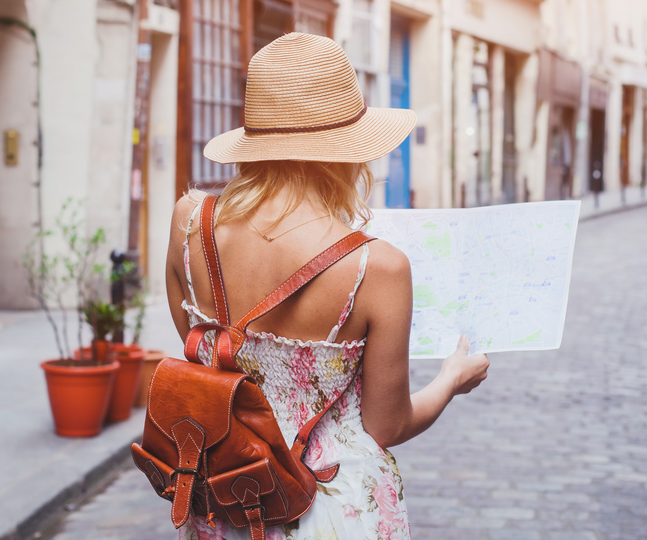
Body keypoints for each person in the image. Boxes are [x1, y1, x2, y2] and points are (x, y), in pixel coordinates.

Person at [164, 33, 490, 540]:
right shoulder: (377, 267)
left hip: (225, 501)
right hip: (334, 511)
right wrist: (450, 380)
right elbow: (387, 427)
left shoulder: (190, 223)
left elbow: (206, 355)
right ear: (348, 152)